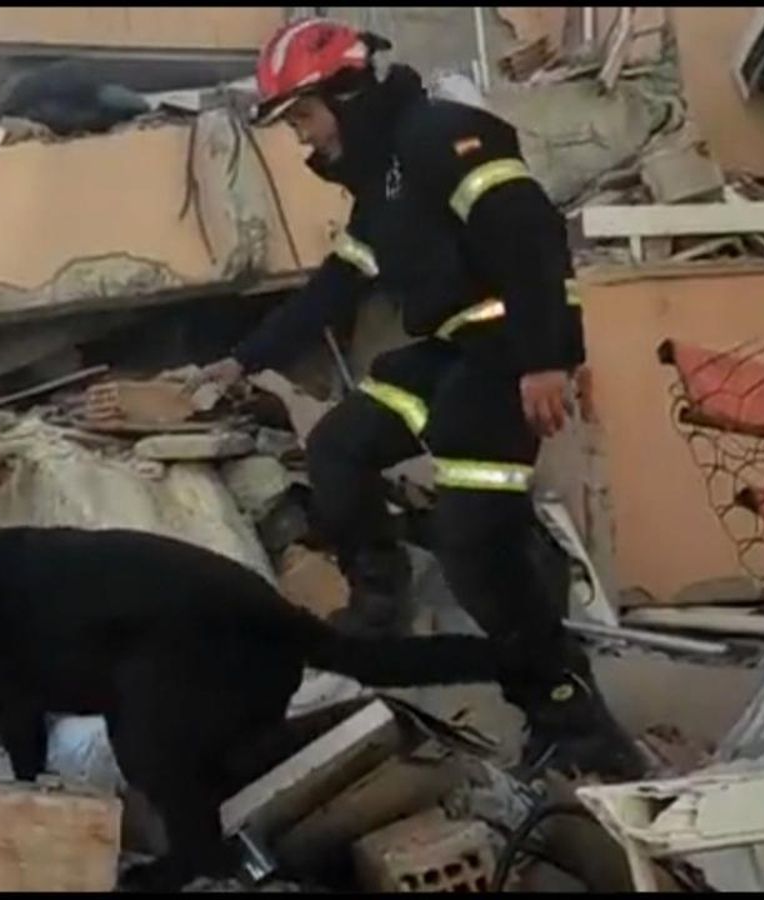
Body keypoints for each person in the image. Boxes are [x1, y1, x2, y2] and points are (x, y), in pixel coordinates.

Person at [187, 19, 644, 780]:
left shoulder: (443, 135)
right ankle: (380, 610)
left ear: (347, 91)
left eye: (304, 115)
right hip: (451, 354)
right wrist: (239, 362)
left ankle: (575, 721)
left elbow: (533, 237)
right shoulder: (381, 188)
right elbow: (335, 288)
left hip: (507, 354)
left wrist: (545, 359)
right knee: (340, 447)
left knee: (475, 548)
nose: (303, 141)